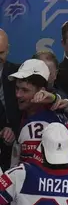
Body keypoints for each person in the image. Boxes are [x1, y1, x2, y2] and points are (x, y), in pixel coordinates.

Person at [10, 59, 67, 166]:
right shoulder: (21, 111)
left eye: (25, 90)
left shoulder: (43, 125)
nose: (18, 94)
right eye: (17, 88)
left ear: (41, 92)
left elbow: (32, 172)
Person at [0, 29, 20, 170]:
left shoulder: (18, 73)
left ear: (8, 49)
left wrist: (13, 129)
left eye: (1, 53)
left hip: (15, 149)